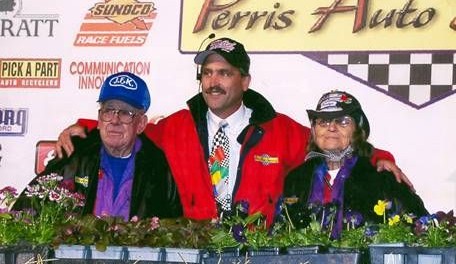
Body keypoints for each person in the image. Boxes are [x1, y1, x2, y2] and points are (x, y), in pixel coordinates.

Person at [53, 38, 410, 225]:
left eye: (224, 73)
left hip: (255, 251)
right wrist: (85, 126)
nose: (213, 81)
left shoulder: (280, 128)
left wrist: (380, 158)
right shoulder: (176, 126)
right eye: (207, 73)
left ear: (245, 80)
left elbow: (331, 141)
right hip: (192, 250)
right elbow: (128, 128)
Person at [14, 72, 182, 221]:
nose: (114, 120)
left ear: (141, 124)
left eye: (125, 113)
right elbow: (24, 213)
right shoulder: (73, 155)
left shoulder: (160, 169)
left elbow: (175, 234)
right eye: (108, 111)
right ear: (99, 118)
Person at [283, 90, 428, 238]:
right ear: (313, 131)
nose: (331, 127)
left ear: (358, 130)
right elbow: (281, 234)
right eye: (323, 121)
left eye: (343, 121)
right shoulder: (295, 180)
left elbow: (422, 231)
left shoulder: (383, 178)